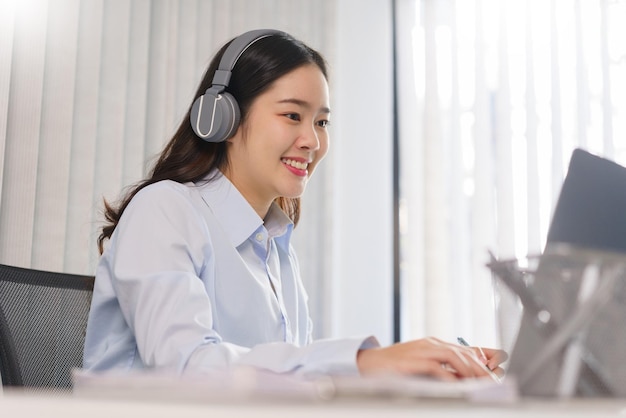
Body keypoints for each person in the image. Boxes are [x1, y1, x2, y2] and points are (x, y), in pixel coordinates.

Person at [83, 29, 506, 380]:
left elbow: (288, 386)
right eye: (292, 116)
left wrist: (408, 372)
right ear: (223, 120)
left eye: (322, 121)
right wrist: (363, 362)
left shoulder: (275, 243)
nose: (313, 140)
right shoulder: (165, 211)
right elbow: (187, 367)